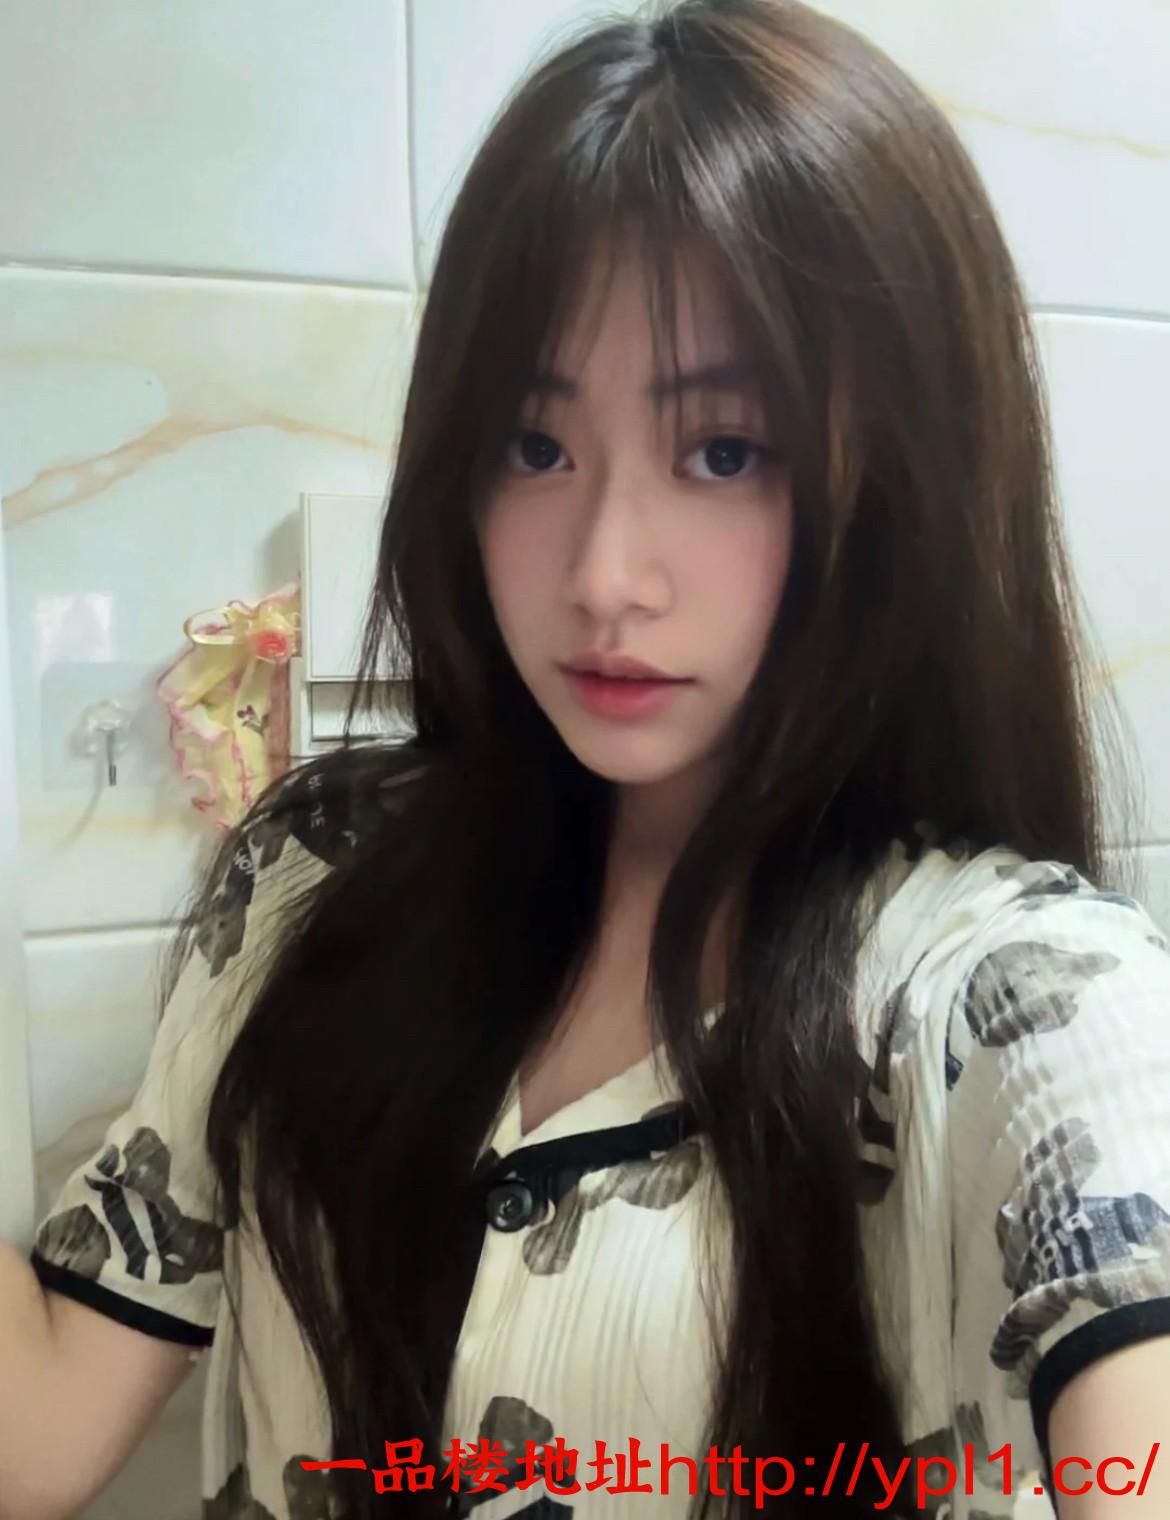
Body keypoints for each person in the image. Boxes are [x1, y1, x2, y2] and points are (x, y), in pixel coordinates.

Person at [4, 1, 1170, 1516]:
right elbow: (39, 1434)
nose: (605, 574)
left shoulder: (1006, 996)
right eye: (535, 446)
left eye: (724, 452)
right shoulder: (310, 885)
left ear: (897, 483)